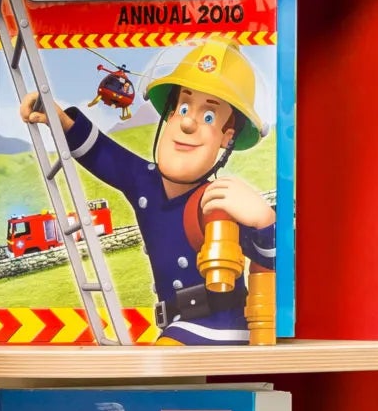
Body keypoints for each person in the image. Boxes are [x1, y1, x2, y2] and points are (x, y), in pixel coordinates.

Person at [20, 45, 277, 344]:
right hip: (178, 328)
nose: (188, 123)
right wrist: (59, 119)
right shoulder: (146, 184)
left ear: (227, 138)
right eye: (183, 108)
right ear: (169, 114)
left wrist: (265, 220)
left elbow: (278, 262)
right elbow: (105, 154)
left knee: (153, 364)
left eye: (209, 116)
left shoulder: (219, 201)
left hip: (220, 328)